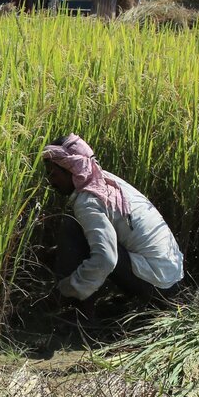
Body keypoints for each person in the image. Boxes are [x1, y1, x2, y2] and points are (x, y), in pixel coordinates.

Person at [41, 134, 184, 315]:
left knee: (72, 226)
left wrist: (66, 289)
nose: (50, 182)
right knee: (85, 233)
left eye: (54, 174)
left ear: (72, 169)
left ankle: (76, 311)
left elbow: (106, 260)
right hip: (171, 279)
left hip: (158, 286)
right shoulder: (106, 180)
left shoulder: (88, 200)